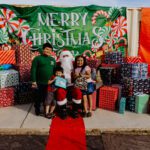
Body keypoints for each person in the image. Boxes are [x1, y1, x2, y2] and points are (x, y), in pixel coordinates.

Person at [31, 43, 56, 116]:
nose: (48, 51)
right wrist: (34, 81)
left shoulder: (52, 60)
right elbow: (33, 70)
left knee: (47, 97)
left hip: (49, 83)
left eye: (50, 50)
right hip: (39, 82)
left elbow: (55, 71)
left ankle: (46, 110)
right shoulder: (37, 58)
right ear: (43, 49)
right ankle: (37, 109)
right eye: (47, 49)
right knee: (38, 97)